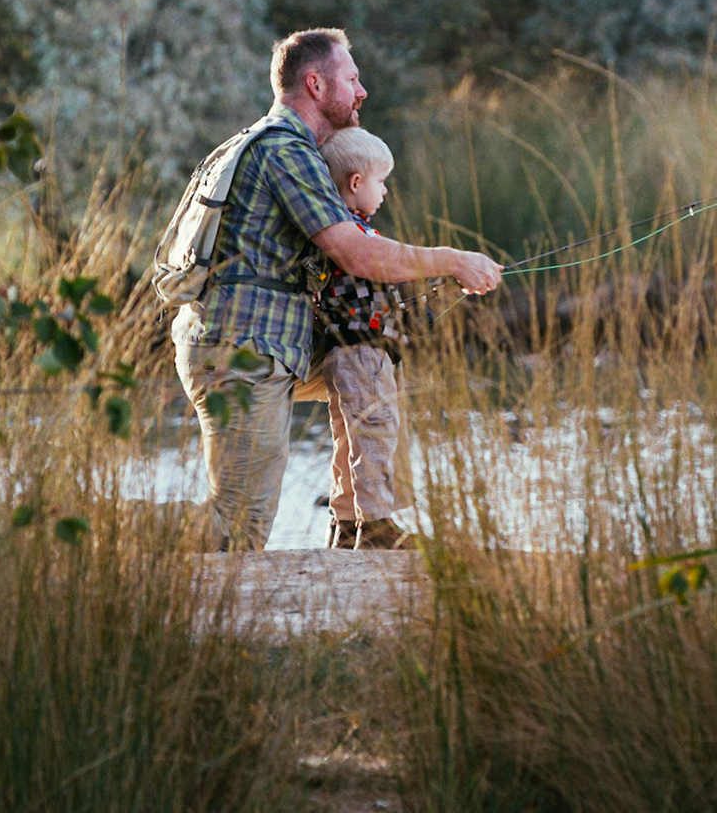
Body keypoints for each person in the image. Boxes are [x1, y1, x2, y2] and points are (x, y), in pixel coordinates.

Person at [170, 28, 501, 550]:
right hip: (241, 351)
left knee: (371, 360)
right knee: (239, 527)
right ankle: (104, 536)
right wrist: (451, 261)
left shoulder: (286, 146)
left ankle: (364, 522)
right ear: (316, 85)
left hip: (275, 343)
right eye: (352, 78)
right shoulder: (284, 151)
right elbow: (356, 252)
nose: (362, 90)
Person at [308, 127, 413, 549]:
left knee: (347, 437)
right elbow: (388, 268)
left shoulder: (333, 233)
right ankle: (375, 527)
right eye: (381, 181)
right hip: (362, 353)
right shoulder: (359, 238)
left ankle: (346, 524)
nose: (385, 191)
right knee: (375, 432)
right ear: (355, 183)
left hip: (342, 353)